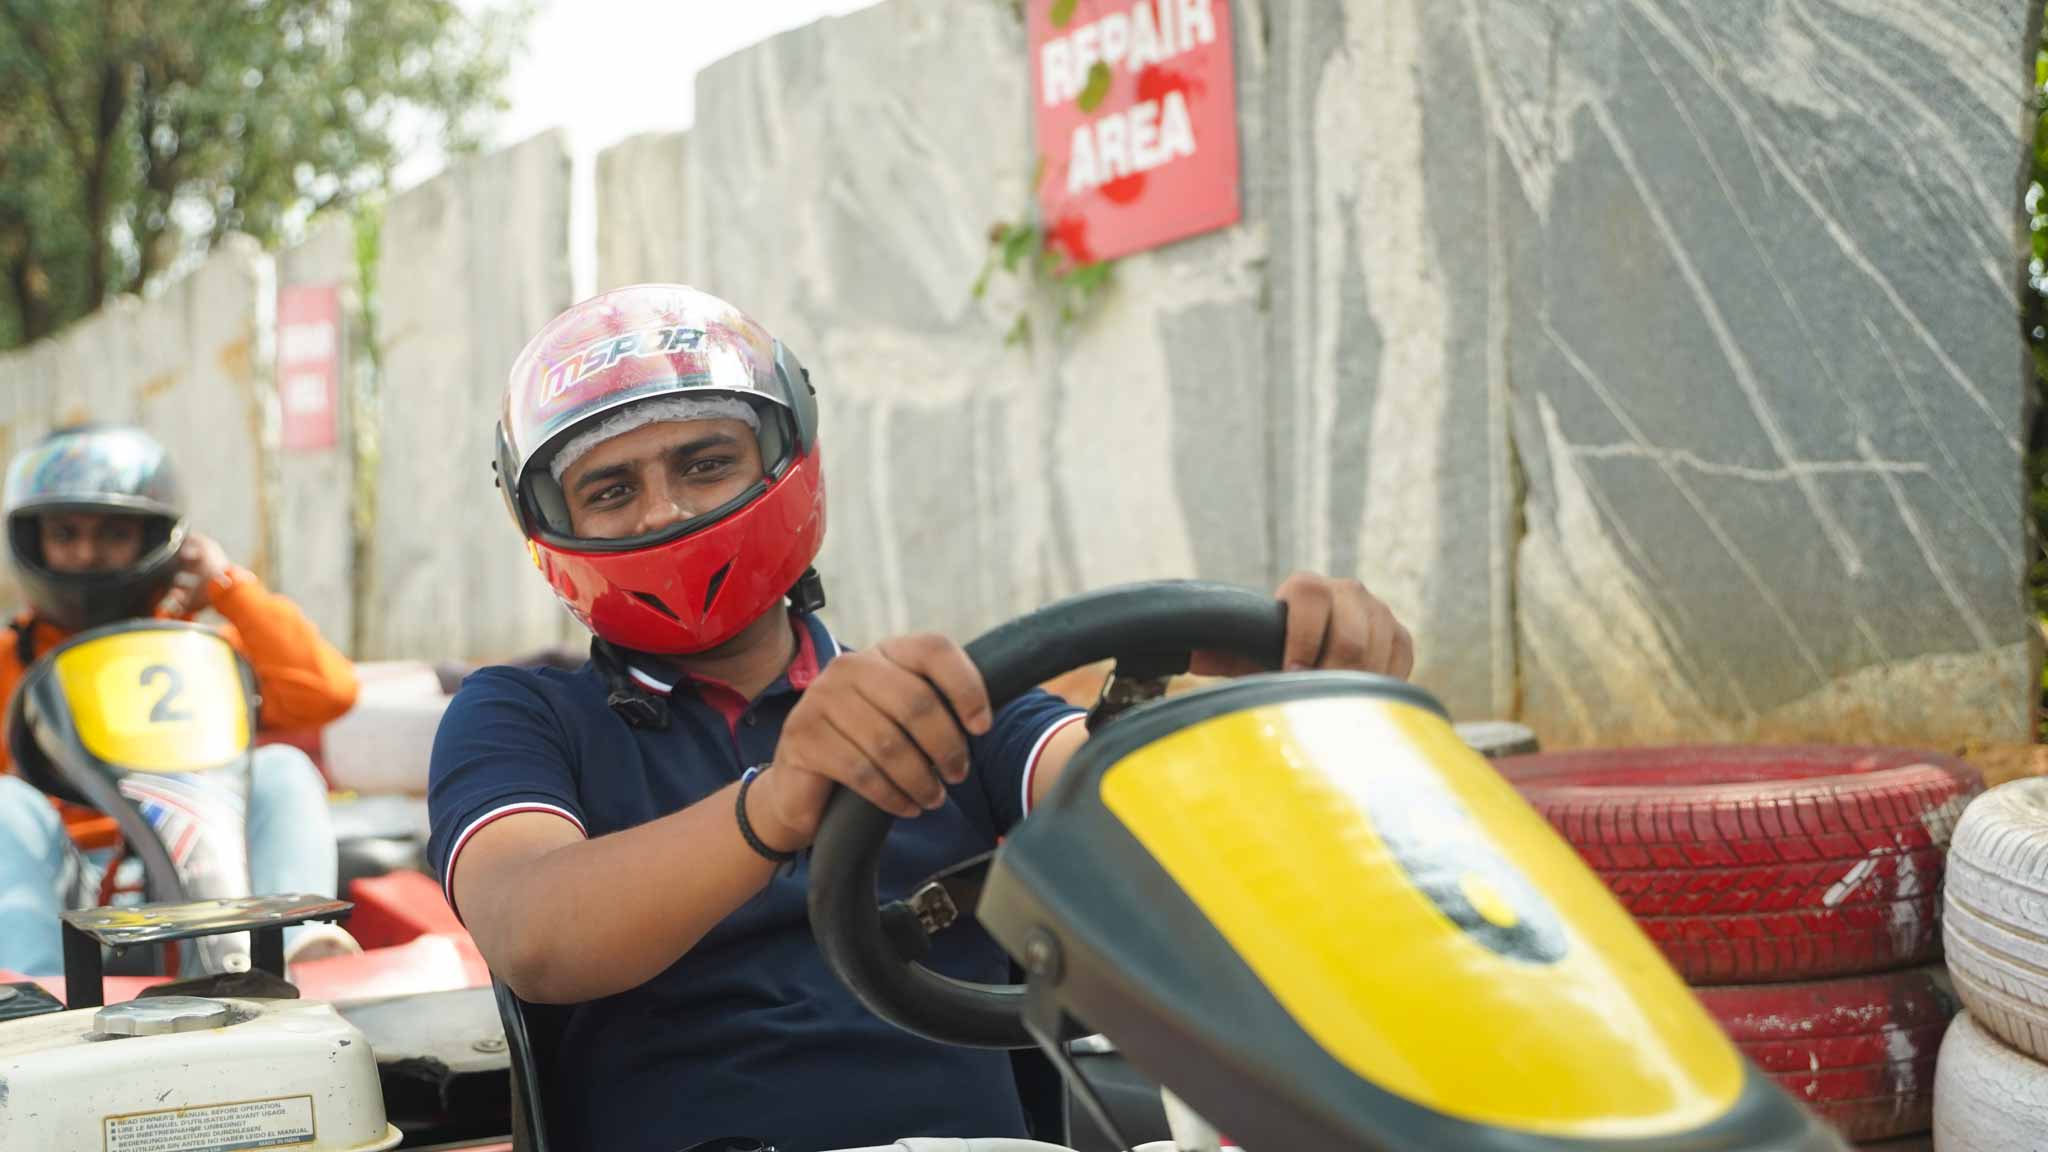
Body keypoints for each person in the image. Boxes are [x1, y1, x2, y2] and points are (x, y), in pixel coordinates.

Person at [429, 284, 1416, 1152]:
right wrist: (773, 804)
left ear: (788, 462)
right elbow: (531, 935)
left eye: (703, 463)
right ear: (550, 525)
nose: (660, 513)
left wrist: (1291, 706)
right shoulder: (523, 713)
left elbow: (1162, 830)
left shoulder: (943, 700)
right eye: (611, 489)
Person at [0, 423, 361, 974]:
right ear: (33, 542)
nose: (88, 553)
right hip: (68, 885)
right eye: (66, 535)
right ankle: (32, 990)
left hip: (209, 867)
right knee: (5, 802)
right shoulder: (10, 659)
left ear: (155, 539)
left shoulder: (199, 648)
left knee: (283, 769)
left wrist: (226, 586)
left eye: (113, 534)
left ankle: (295, 952)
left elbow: (327, 693)